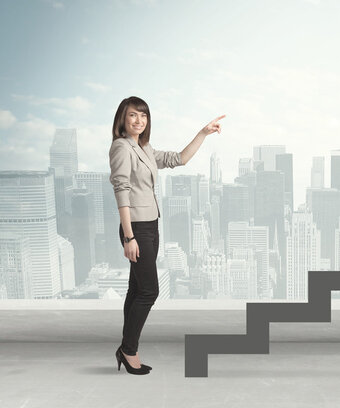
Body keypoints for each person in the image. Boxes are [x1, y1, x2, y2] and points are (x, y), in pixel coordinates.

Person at [109, 96, 225, 375]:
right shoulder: (122, 148)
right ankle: (129, 350)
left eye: (143, 116)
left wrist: (203, 133)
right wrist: (128, 237)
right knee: (149, 291)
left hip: (151, 225)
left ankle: (126, 347)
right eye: (133, 116)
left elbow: (179, 159)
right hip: (136, 228)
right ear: (122, 119)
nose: (139, 121)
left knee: (137, 289)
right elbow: (121, 190)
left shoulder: (144, 148)